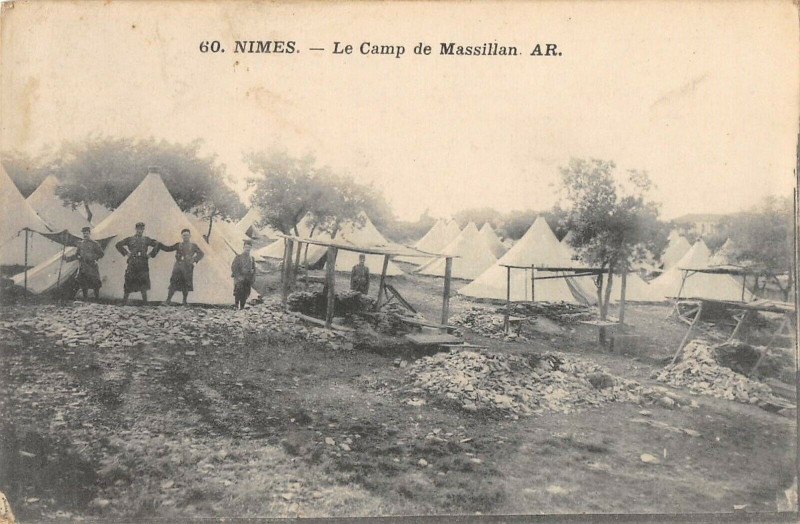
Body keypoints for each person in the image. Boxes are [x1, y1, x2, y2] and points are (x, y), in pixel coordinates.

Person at [115, 222, 160, 305]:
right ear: (136, 229)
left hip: (143, 262)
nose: (140, 230)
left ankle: (145, 302)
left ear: (143, 229)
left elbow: (158, 245)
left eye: (142, 229)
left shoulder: (146, 239)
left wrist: (150, 255)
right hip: (133, 262)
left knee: (143, 281)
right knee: (129, 280)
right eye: (138, 229)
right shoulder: (130, 239)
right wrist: (127, 253)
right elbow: (118, 245)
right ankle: (124, 301)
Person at [159, 228, 204, 305]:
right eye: (184, 235)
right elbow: (168, 248)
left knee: (186, 284)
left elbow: (201, 254)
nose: (185, 237)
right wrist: (160, 245)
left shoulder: (193, 245)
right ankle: (168, 300)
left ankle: (184, 301)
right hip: (178, 266)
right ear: (181, 236)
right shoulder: (178, 245)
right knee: (173, 282)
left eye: (187, 235)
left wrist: (194, 260)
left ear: (190, 236)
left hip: (187, 267)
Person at [64, 226, 104, 300]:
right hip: (83, 266)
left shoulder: (94, 243)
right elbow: (76, 255)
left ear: (89, 233)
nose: (85, 235)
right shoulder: (80, 244)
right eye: (84, 233)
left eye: (86, 233)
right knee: (83, 282)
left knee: (95, 282)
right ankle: (85, 298)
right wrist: (67, 258)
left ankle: (97, 298)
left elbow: (101, 254)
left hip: (92, 265)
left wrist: (93, 257)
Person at [231, 239, 256, 309]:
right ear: (243, 248)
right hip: (239, 278)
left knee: (246, 293)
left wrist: (252, 277)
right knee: (238, 291)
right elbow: (234, 267)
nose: (247, 249)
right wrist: (238, 276)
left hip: (247, 278)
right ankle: (236, 305)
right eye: (246, 247)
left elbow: (254, 269)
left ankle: (242, 307)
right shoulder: (238, 257)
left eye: (249, 247)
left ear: (251, 248)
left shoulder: (252, 258)